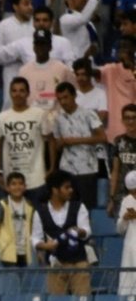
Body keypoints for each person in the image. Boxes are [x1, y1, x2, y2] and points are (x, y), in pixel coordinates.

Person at [33, 171, 92, 296]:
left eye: (71, 187)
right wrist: (46, 246)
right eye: (66, 187)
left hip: (78, 263)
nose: (71, 190)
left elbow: (86, 231)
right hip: (55, 264)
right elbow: (35, 239)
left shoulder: (79, 207)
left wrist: (79, 231)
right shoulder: (40, 212)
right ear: (55, 190)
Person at [0, 77, 52, 200]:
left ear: (28, 93)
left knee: (37, 217)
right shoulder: (2, 117)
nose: (17, 94)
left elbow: (51, 141)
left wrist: (51, 168)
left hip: (36, 177)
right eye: (14, 91)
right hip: (12, 178)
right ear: (9, 93)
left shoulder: (39, 114)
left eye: (21, 90)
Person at [51, 82, 106, 210]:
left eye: (66, 97)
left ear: (74, 95)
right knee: (68, 209)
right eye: (60, 99)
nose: (63, 102)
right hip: (66, 170)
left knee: (86, 209)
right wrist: (59, 145)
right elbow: (57, 143)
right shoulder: (58, 118)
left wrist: (74, 141)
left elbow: (102, 137)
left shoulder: (89, 114)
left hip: (87, 169)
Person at [0, 171, 35, 267]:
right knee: (11, 279)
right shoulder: (3, 205)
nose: (17, 187)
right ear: (7, 188)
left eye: (20, 184)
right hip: (8, 250)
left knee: (23, 280)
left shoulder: (29, 205)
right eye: (13, 184)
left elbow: (32, 228)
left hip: (24, 251)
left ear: (25, 187)